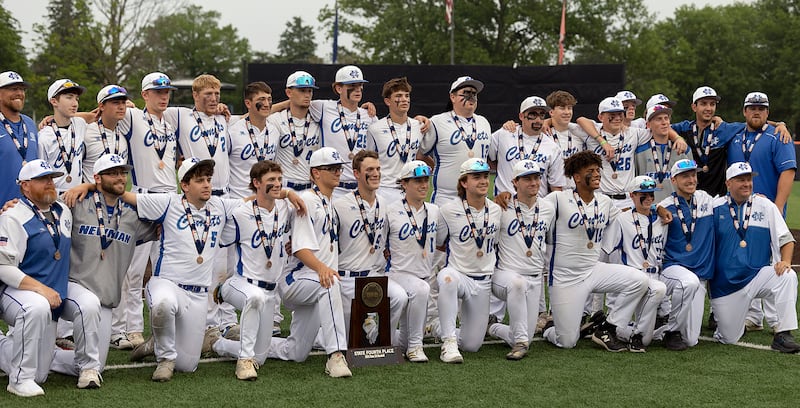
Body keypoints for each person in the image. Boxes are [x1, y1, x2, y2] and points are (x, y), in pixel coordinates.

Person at [125, 158, 242, 381]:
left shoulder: (220, 205)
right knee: (163, 304)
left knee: (187, 366)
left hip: (198, 294)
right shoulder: (168, 202)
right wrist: (89, 186)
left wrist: (286, 194)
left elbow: (252, 202)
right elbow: (124, 194)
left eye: (208, 179)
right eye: (200, 180)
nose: (207, 184)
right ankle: (165, 359)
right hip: (167, 283)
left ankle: (156, 342)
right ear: (185, 185)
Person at [50, 154, 157, 388]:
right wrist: (86, 187)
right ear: (98, 178)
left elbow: (166, 218)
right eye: (113, 173)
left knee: (96, 366)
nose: (120, 178)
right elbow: (44, 202)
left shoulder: (132, 213)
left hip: (106, 299)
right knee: (88, 310)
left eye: (123, 173)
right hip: (73, 288)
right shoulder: (77, 202)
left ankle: (48, 356)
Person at [540, 151, 648, 352]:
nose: (597, 174)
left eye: (598, 170)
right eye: (591, 170)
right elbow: (533, 209)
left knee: (639, 280)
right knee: (567, 342)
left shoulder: (605, 201)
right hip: (565, 277)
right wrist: (506, 198)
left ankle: (608, 327)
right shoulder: (558, 198)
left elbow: (628, 217)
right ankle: (549, 329)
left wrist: (657, 209)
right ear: (577, 177)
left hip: (593, 270)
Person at [267, 147, 352, 378]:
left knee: (295, 352)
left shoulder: (329, 202)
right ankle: (336, 355)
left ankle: (225, 345)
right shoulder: (306, 199)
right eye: (331, 168)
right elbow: (300, 249)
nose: (338, 172)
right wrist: (322, 268)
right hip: (296, 278)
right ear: (316, 173)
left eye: (339, 167)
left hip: (315, 281)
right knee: (331, 283)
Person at [110, 72, 180, 350]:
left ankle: (164, 327)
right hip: (142, 197)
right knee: (134, 270)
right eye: (158, 92)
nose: (164, 97)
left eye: (167, 92)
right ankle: (131, 328)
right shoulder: (132, 116)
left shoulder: (171, 121)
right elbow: (102, 112)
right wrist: (51, 118)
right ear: (144, 95)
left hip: (170, 200)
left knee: (167, 269)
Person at [164, 74, 237, 338]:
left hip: (224, 196)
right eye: (208, 94)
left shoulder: (224, 118)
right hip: (197, 199)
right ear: (195, 95)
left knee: (226, 266)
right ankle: (208, 323)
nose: (214, 99)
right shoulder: (180, 115)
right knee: (205, 262)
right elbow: (146, 111)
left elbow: (260, 113)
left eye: (217, 94)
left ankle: (226, 319)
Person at [209, 161, 295, 380]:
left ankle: (217, 344)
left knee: (261, 357)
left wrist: (289, 194)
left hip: (270, 291)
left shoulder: (284, 209)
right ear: (256, 183)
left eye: (279, 179)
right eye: (271, 180)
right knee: (254, 297)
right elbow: (220, 240)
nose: (277, 184)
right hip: (242, 283)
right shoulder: (241, 213)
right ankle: (243, 361)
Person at [709, 162, 800, 353]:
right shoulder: (714, 208)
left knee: (788, 276)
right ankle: (733, 321)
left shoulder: (765, 205)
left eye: (749, 179)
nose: (747, 184)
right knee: (728, 338)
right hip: (725, 285)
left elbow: (786, 239)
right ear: (728, 183)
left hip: (757, 277)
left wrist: (785, 261)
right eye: (741, 180)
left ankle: (783, 333)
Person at [0, 160, 69, 397]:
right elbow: (3, 267)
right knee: (36, 306)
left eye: (51, 178)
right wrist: (41, 289)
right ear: (25, 186)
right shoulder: (12, 216)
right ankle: (19, 380)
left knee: (41, 374)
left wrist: (87, 186)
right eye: (42, 179)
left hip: (42, 292)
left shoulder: (63, 210)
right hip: (10, 289)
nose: (50, 183)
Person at [334, 150, 407, 342]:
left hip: (374, 276)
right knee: (346, 341)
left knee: (399, 297)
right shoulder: (339, 205)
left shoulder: (384, 203)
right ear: (356, 173)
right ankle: (321, 335)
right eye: (369, 170)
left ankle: (383, 340)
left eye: (378, 169)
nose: (375, 174)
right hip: (347, 278)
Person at [435, 158, 502, 363]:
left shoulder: (496, 210)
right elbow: (439, 243)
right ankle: (448, 342)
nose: (483, 181)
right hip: (459, 275)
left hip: (483, 281)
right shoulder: (448, 210)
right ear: (464, 182)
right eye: (476, 177)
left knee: (472, 345)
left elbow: (495, 243)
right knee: (447, 278)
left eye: (485, 176)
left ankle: (437, 327)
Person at [486, 160, 554, 360]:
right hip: (506, 276)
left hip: (534, 278)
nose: (533, 183)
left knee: (525, 334)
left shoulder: (548, 208)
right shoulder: (501, 207)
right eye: (527, 179)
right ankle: (520, 343)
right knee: (517, 284)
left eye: (536, 178)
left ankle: (492, 327)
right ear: (514, 182)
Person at [601, 176, 667, 352]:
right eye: (643, 194)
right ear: (632, 195)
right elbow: (607, 250)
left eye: (651, 194)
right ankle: (618, 328)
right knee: (658, 289)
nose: (649, 198)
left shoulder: (661, 219)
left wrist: (659, 208)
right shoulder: (622, 219)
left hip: (655, 274)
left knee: (647, 340)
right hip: (633, 277)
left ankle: (640, 332)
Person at [657, 159, 715, 350]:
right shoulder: (665, 206)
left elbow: (730, 201)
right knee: (688, 282)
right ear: (674, 180)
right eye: (685, 176)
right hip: (673, 269)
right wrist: (657, 208)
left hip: (700, 275)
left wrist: (757, 199)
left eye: (693, 175)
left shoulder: (706, 200)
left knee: (690, 340)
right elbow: (643, 210)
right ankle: (671, 331)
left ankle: (657, 328)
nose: (691, 180)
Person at [385, 160, 438, 362]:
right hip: (397, 273)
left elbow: (441, 241)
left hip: (423, 274)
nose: (424, 185)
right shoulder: (390, 210)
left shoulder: (434, 210)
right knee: (421, 289)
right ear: (404, 183)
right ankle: (416, 347)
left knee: (401, 344)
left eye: (425, 180)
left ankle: (406, 345)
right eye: (417, 181)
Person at [421, 76, 492, 206]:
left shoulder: (484, 122)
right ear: (452, 97)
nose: (471, 97)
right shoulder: (437, 122)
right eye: (466, 93)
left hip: (478, 198)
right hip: (446, 198)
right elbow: (420, 155)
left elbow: (491, 157)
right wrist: (436, 168)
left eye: (474, 94)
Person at [310, 65, 377, 199]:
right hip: (332, 188)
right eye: (352, 85)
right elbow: (296, 102)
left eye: (360, 85)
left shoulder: (369, 116)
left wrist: (419, 119)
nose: (358, 89)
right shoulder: (323, 107)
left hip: (360, 187)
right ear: (338, 88)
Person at [489, 96, 565, 198]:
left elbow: (556, 187)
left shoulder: (553, 148)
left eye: (542, 115)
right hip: (506, 203)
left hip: (536, 204)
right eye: (532, 115)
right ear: (521, 116)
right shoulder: (503, 135)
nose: (538, 120)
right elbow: (488, 158)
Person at [367, 77, 423, 204]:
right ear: (387, 101)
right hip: (385, 190)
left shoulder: (419, 126)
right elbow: (369, 161)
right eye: (398, 96)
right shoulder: (375, 129)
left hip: (411, 189)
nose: (404, 99)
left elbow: (423, 155)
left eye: (407, 95)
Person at [268, 71, 322, 193]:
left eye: (310, 91)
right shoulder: (276, 119)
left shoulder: (318, 120)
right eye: (302, 90)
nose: (307, 95)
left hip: (310, 188)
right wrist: (284, 104)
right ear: (288, 92)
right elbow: (254, 115)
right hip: (283, 187)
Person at [37, 79, 88, 194]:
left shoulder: (80, 124)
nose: (75, 104)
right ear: (54, 101)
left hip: (79, 194)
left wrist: (127, 105)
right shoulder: (44, 136)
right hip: (54, 196)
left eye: (76, 99)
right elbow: (41, 175)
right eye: (69, 98)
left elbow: (98, 114)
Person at [634, 105, 692, 202]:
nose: (664, 122)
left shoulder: (682, 149)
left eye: (666, 118)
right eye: (659, 119)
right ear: (648, 125)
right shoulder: (639, 152)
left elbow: (691, 182)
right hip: (649, 206)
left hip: (677, 206)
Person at [0, 71, 39, 204]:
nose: (19, 93)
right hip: (4, 209)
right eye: (13, 89)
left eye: (22, 89)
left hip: (31, 209)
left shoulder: (29, 123)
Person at [82, 85, 130, 183]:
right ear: (101, 106)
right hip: (91, 191)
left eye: (123, 103)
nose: (121, 107)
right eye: (116, 103)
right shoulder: (86, 132)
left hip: (118, 191)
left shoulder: (126, 129)